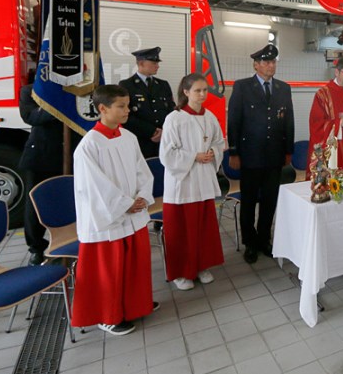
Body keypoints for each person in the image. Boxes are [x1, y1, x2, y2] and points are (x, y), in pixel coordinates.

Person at [72, 85, 156, 336]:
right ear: (102, 109)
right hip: (108, 218)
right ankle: (106, 315)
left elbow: (143, 171)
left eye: (127, 105)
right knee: (110, 270)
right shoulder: (89, 145)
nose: (127, 110)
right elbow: (94, 186)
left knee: (134, 264)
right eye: (121, 106)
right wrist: (125, 204)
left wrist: (142, 196)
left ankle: (134, 306)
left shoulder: (128, 137)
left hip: (132, 212)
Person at [227, 44, 295, 264]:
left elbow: (289, 121)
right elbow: (234, 121)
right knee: (248, 202)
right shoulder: (242, 87)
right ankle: (250, 242)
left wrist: (288, 151)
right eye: (266, 62)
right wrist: (234, 152)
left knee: (269, 200)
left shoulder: (283, 88)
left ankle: (264, 238)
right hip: (250, 156)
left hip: (274, 156)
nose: (271, 65)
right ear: (256, 65)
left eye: (273, 61)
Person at [160, 73, 225, 290]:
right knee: (181, 230)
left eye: (205, 90)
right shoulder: (174, 118)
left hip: (204, 178)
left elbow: (219, 141)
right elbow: (167, 153)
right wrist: (194, 156)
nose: (203, 94)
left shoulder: (210, 117)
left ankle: (201, 266)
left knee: (202, 227)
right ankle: (181, 273)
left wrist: (213, 152)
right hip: (183, 182)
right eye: (197, 90)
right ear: (186, 92)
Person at [18, 82, 70, 265]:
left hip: (72, 153)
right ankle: (36, 248)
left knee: (70, 202)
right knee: (35, 205)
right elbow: (30, 116)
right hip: (41, 155)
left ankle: (67, 241)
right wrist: (60, 106)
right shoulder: (30, 90)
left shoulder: (78, 89)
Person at [119, 46, 175, 159]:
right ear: (141, 63)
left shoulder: (163, 85)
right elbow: (126, 116)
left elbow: (172, 111)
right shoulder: (126, 85)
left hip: (164, 141)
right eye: (153, 62)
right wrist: (151, 131)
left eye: (157, 62)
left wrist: (164, 131)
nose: (157, 66)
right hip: (140, 141)